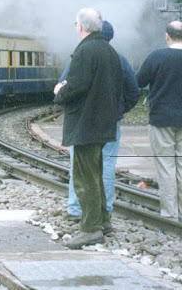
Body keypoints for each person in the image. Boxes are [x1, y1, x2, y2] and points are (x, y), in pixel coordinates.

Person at [53, 8, 122, 249]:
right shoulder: (109, 50)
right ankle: (103, 221)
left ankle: (90, 228)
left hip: (86, 123)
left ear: (81, 26)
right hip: (102, 123)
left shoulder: (85, 51)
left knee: (84, 177)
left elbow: (76, 87)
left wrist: (59, 91)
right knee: (95, 173)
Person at [62, 21, 140, 221]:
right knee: (106, 165)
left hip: (84, 122)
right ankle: (105, 210)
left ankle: (76, 209)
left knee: (78, 165)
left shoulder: (81, 55)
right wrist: (118, 111)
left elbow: (65, 86)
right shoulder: (119, 58)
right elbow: (133, 91)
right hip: (110, 122)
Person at [136, 20, 182, 221]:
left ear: (167, 36)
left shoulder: (157, 56)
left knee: (166, 166)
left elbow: (138, 81)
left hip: (161, 119)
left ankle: (170, 214)